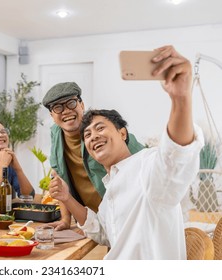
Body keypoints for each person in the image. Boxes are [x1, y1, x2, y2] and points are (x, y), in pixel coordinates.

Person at [48, 45, 204, 259]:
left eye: (100, 128)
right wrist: (66, 197)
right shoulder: (111, 184)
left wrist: (181, 97)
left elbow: (174, 160)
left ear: (123, 134)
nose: (93, 136)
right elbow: (102, 230)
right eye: (87, 135)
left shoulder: (145, 167)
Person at [42, 82, 144, 230]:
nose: (65, 111)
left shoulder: (105, 131)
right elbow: (59, 177)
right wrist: (65, 219)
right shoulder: (56, 133)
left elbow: (141, 160)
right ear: (52, 115)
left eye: (71, 103)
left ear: (81, 105)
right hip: (92, 219)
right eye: (58, 107)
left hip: (124, 214)